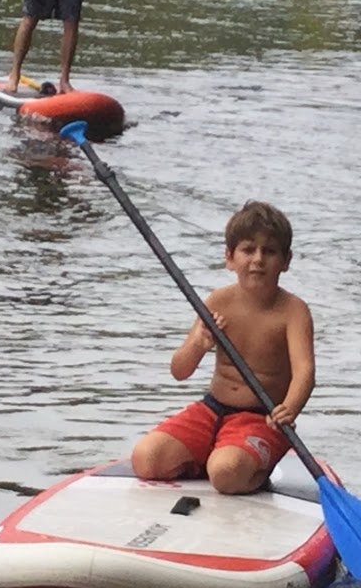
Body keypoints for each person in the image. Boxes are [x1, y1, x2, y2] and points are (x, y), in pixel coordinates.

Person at [131, 201, 316, 496]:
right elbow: (179, 370)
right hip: (211, 409)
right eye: (247, 249)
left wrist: (289, 409)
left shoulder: (293, 311)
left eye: (269, 251)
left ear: (286, 260)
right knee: (145, 459)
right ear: (229, 258)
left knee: (225, 474)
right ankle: (212, 456)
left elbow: (305, 371)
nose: (258, 259)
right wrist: (199, 344)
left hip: (261, 419)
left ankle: (251, 470)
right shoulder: (218, 301)